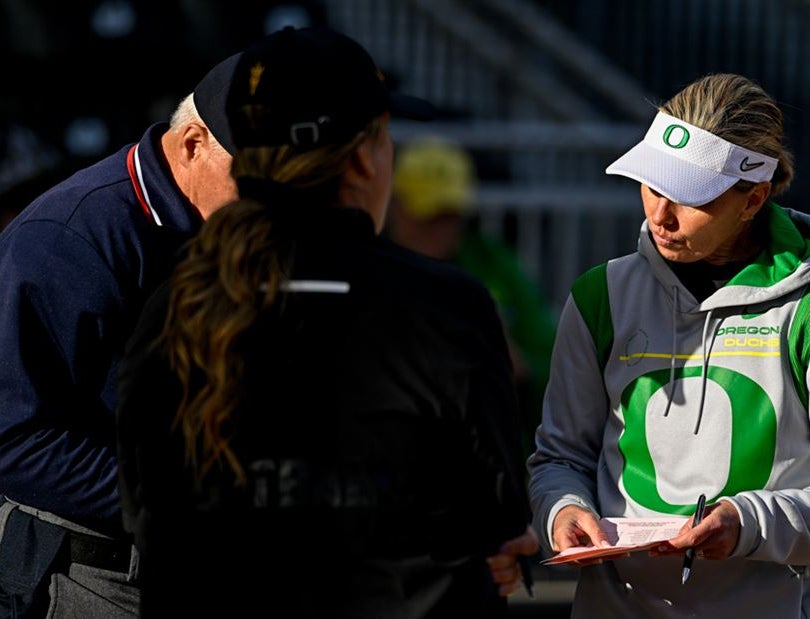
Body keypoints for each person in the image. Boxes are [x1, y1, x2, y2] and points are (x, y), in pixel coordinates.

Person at [115, 26, 538, 618]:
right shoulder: (446, 305)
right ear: (365, 157)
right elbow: (496, 510)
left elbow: (143, 507)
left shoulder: (177, 301)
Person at [527, 72, 810, 618]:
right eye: (653, 184)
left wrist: (749, 523)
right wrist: (561, 509)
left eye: (690, 197)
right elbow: (561, 457)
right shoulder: (599, 296)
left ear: (753, 198)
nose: (660, 213)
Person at [0, 44, 243, 617]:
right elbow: (13, 437)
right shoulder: (66, 236)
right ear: (193, 145)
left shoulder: (247, 231)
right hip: (92, 578)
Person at [386, 136, 558, 454]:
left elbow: (550, 367)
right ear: (395, 206)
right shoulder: (372, 268)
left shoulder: (494, 266)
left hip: (484, 454)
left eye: (450, 214)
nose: (440, 227)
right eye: (428, 213)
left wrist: (519, 368)